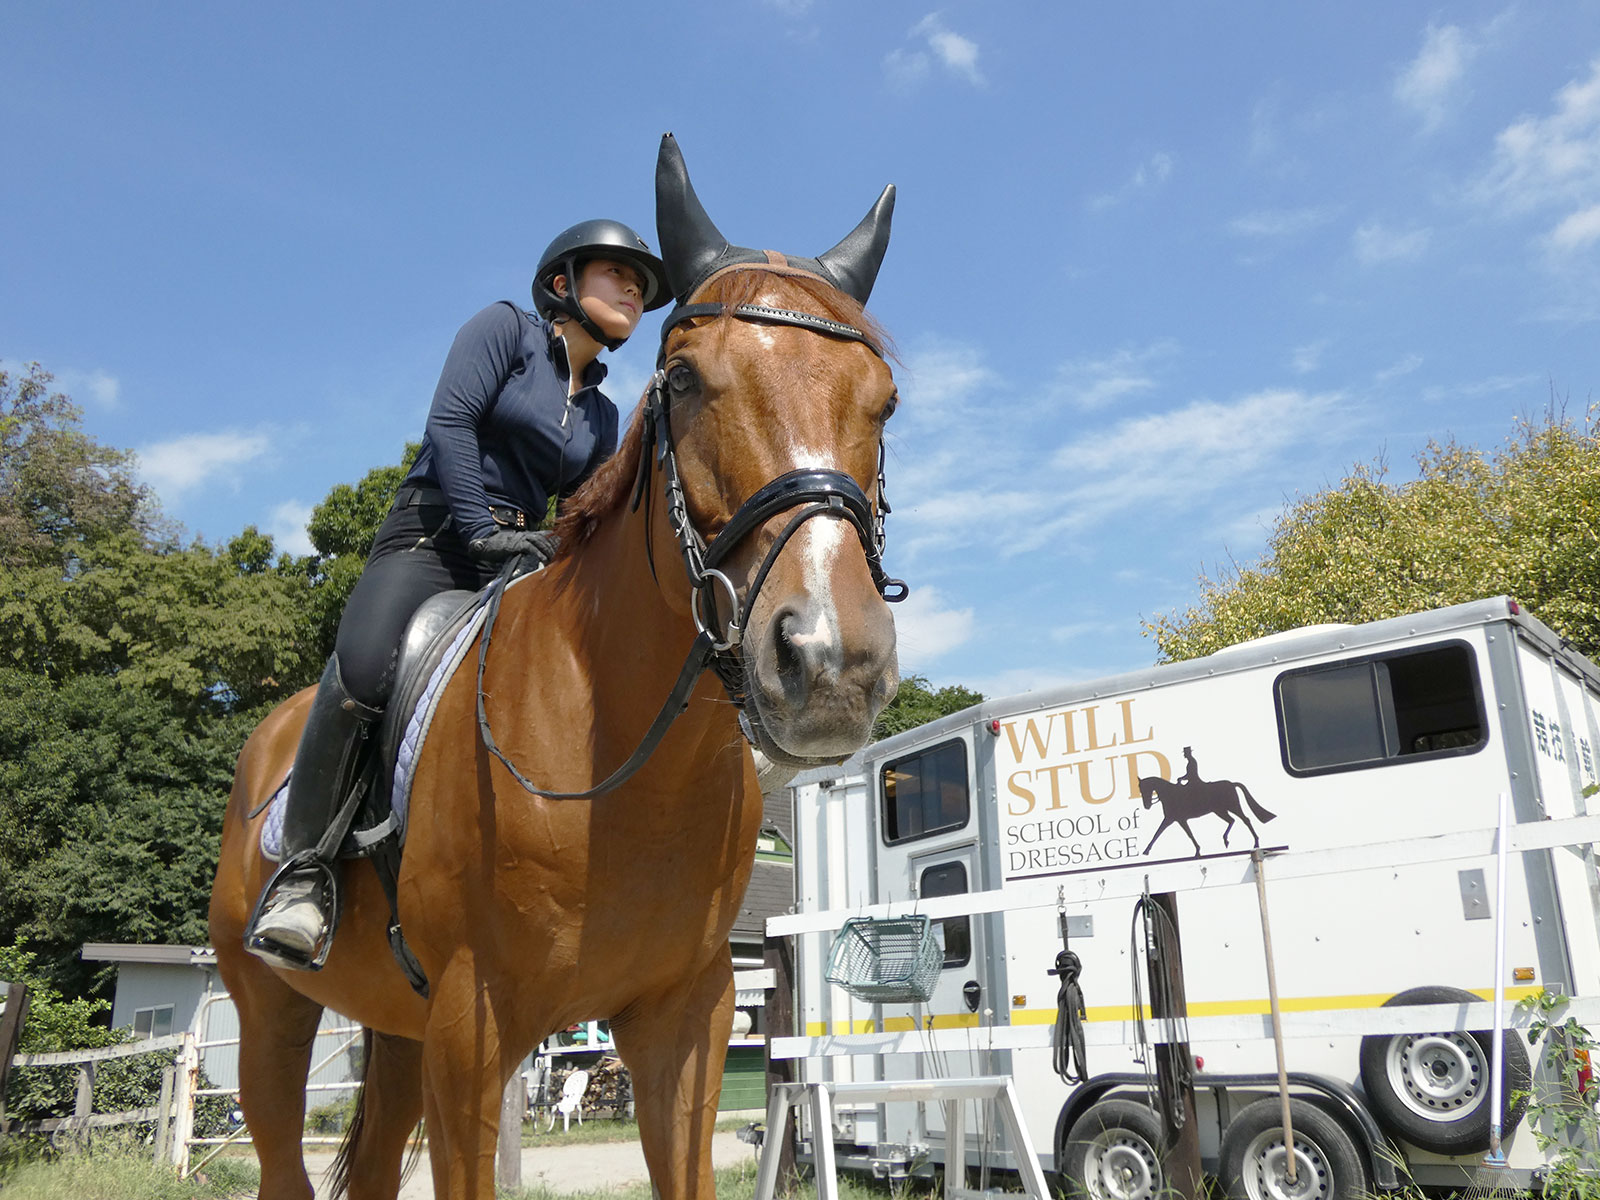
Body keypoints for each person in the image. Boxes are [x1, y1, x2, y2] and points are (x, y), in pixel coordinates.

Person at [246, 220, 670, 971]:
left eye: (641, 286)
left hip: (517, 559)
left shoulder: (603, 414)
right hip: (433, 536)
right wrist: (478, 530)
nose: (634, 289)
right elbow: (449, 423)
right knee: (368, 666)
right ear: (563, 283)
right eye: (617, 273)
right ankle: (303, 873)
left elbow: (584, 516)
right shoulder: (504, 329)